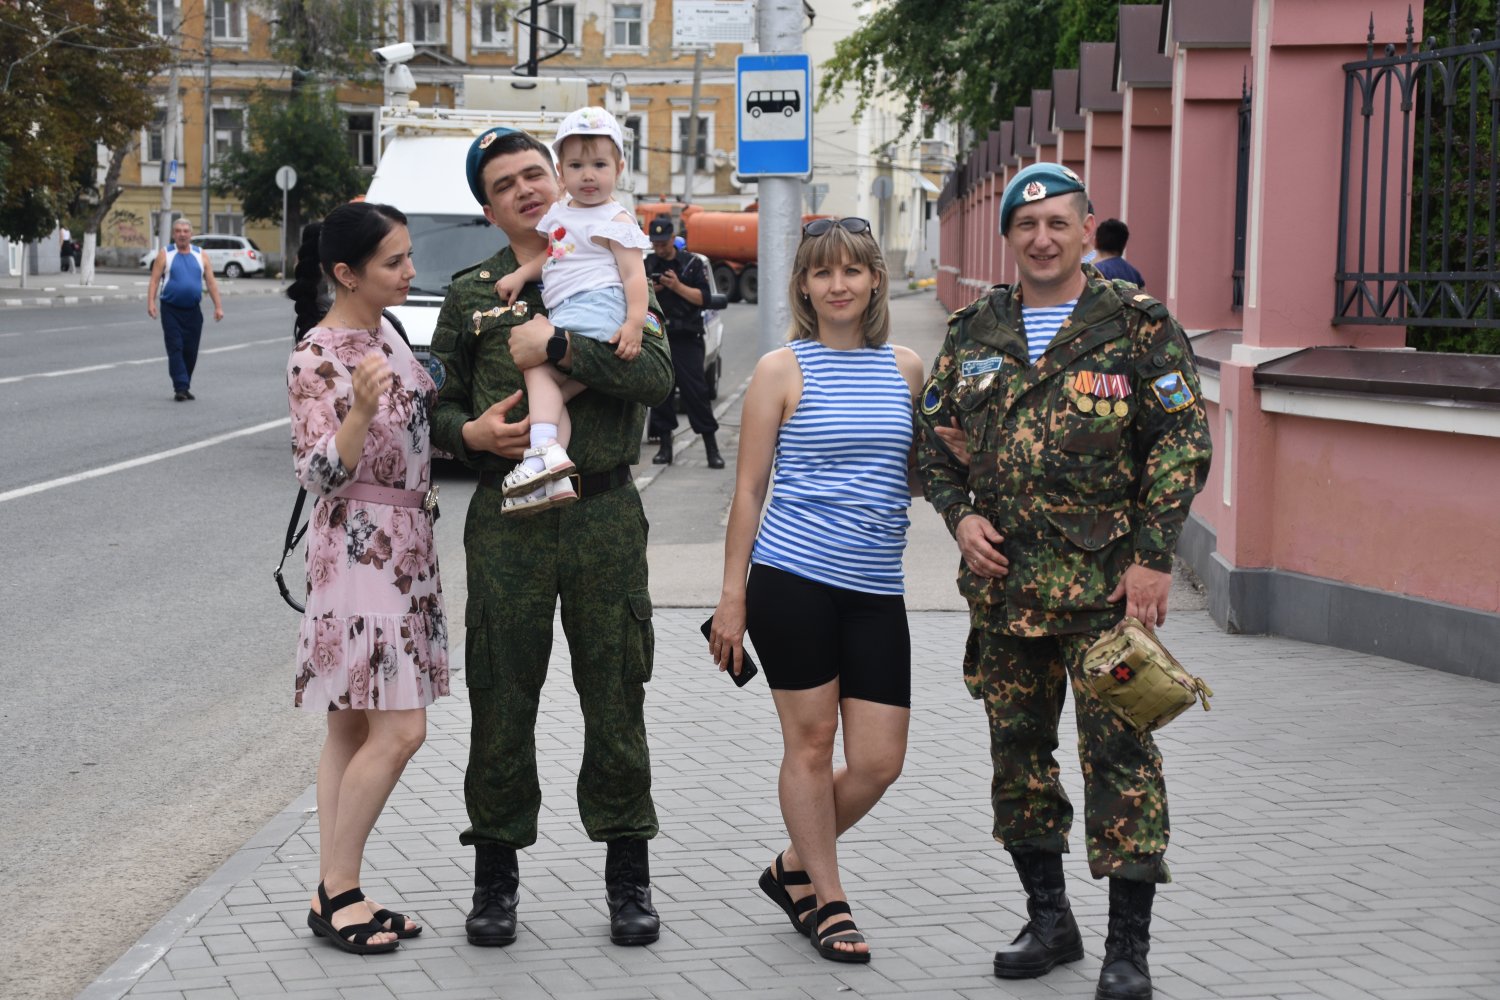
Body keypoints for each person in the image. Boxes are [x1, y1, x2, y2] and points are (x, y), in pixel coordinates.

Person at [915, 162, 1211, 1000]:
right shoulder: (977, 328)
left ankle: (1128, 948)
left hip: (1107, 596)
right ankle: (1049, 920)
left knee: (1122, 760)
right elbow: (935, 438)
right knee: (1020, 763)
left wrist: (1155, 557)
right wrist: (959, 517)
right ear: (1007, 237)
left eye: (1058, 224)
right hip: (1006, 596)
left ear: (1087, 231)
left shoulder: (1137, 325)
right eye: (1025, 225)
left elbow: (1180, 442)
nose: (1042, 238)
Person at [429, 125, 674, 949]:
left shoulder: (614, 251)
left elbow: (658, 376)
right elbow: (436, 404)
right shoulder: (472, 294)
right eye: (507, 184)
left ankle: (628, 879)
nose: (529, 189)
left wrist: (563, 346)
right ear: (489, 207)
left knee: (615, 697)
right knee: (501, 701)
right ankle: (495, 881)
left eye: (537, 172)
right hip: (508, 522)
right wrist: (469, 437)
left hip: (603, 516)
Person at [708, 217, 925, 965]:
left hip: (876, 586)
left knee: (879, 762)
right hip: (791, 579)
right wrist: (731, 599)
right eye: (823, 273)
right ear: (803, 285)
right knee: (810, 744)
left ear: (873, 281)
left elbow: (914, 478)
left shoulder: (906, 367)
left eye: (853, 271)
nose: (838, 285)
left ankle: (792, 867)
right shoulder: (779, 369)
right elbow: (748, 492)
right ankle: (828, 900)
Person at [284, 201, 449, 955]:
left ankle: (337, 888)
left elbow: (418, 433)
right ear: (346, 272)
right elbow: (318, 470)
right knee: (401, 728)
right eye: (394, 262)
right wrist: (356, 410)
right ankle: (337, 891)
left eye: (409, 256)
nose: (410, 271)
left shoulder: (390, 332)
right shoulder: (317, 353)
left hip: (407, 548)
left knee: (350, 724)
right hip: (357, 553)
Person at [491, 106, 654, 514]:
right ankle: (552, 475)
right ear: (561, 172)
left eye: (599, 164)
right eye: (577, 165)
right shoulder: (561, 213)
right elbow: (552, 256)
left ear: (619, 167)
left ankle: (543, 450)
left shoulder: (615, 217)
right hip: (578, 312)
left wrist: (635, 323)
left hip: (595, 308)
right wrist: (519, 276)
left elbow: (635, 276)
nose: (588, 175)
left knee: (537, 364)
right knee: (553, 396)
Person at [644, 216, 724, 468]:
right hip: (658, 338)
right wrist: (652, 289)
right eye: (654, 243)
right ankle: (665, 448)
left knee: (696, 393)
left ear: (672, 239)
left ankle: (712, 449)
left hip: (687, 339)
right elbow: (633, 296)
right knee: (660, 394)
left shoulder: (691, 264)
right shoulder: (647, 264)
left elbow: (704, 298)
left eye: (662, 243)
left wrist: (676, 286)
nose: (659, 248)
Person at [147, 218, 224, 401]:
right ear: (174, 234)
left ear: (191, 234)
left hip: (193, 311)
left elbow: (211, 282)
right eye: (178, 231)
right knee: (175, 348)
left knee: (190, 350)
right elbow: (155, 280)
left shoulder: (201, 255)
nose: (182, 234)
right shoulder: (165, 254)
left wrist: (218, 306)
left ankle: (185, 383)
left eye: (185, 231)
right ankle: (180, 386)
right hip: (170, 309)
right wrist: (150, 302)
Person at [1093, 219, 1145, 289]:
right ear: (1123, 245)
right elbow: (1145, 298)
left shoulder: (1094, 272)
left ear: (1095, 242)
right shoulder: (1135, 274)